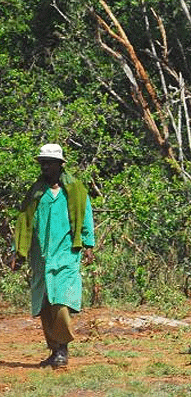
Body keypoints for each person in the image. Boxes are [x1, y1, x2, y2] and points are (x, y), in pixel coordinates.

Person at [11, 143, 95, 368]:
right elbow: (24, 223)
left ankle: (63, 349)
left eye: (49, 163)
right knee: (45, 304)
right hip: (41, 256)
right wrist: (17, 252)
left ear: (60, 165)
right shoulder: (36, 192)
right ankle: (55, 351)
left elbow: (85, 217)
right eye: (42, 163)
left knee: (61, 302)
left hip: (67, 253)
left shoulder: (75, 190)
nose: (45, 167)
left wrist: (88, 245)